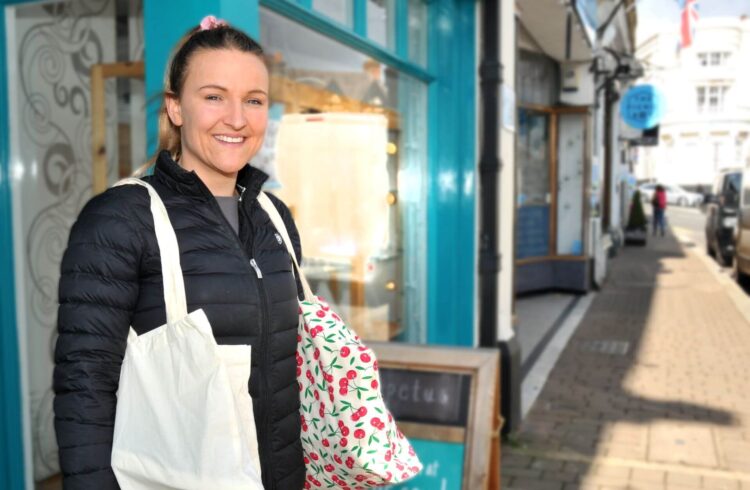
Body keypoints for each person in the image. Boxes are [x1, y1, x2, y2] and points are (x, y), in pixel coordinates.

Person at [53, 17, 305, 489]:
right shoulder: (121, 218)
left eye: (254, 100)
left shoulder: (274, 216)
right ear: (175, 108)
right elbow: (83, 388)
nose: (237, 118)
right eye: (214, 97)